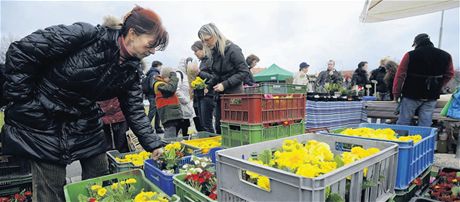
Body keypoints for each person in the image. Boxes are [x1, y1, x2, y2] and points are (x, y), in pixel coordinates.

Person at [1, 6, 167, 201]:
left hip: (85, 120)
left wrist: (154, 144)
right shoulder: (86, 36)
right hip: (44, 121)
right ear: (132, 33)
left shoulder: (131, 71)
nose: (154, 51)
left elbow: (135, 110)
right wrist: (24, 100)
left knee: (98, 176)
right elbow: (22, 51)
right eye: (152, 43)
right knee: (50, 188)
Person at [198, 23, 250, 134]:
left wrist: (225, 84)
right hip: (221, 97)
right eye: (202, 41)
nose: (205, 44)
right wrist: (209, 86)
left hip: (234, 95)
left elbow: (244, 71)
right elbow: (217, 74)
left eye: (206, 40)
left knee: (233, 128)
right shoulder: (214, 53)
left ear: (215, 35)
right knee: (220, 127)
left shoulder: (233, 50)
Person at [393, 33, 454, 126]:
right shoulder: (446, 55)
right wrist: (438, 85)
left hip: (411, 94)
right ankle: (422, 140)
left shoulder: (410, 55)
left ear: (416, 43)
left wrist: (396, 93)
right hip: (431, 95)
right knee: (425, 123)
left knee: (404, 122)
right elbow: (450, 74)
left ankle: (401, 140)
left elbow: (400, 75)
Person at [191, 40, 215, 133]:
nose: (195, 53)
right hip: (200, 95)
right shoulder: (201, 62)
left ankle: (213, 144)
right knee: (202, 124)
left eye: (196, 51)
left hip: (208, 95)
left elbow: (213, 77)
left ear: (203, 49)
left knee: (207, 124)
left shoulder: (210, 60)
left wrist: (199, 73)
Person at [153, 67, 183, 139]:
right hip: (168, 117)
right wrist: (174, 77)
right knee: (169, 139)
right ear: (166, 77)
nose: (171, 80)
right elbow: (171, 89)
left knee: (173, 138)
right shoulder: (159, 84)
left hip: (172, 116)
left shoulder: (164, 84)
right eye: (170, 78)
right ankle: (167, 149)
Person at [175, 68, 195, 138]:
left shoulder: (187, 75)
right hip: (182, 106)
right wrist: (185, 100)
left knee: (186, 127)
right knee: (181, 126)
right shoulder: (179, 74)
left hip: (187, 106)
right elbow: (176, 90)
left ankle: (186, 144)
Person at [145, 61, 165, 133]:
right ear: (157, 66)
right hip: (154, 95)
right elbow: (152, 85)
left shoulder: (150, 72)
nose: (161, 68)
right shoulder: (154, 73)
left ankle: (157, 128)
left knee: (157, 111)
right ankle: (147, 127)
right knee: (152, 111)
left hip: (151, 95)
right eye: (160, 66)